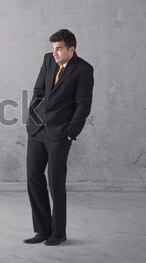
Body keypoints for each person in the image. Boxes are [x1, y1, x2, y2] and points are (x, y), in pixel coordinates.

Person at [24, 29, 94, 246]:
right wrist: (33, 115)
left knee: (56, 183)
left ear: (71, 49)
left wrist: (70, 133)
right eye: (53, 48)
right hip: (37, 131)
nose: (54, 53)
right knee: (33, 178)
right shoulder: (48, 60)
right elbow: (38, 91)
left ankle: (58, 233)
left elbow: (83, 104)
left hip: (60, 134)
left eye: (59, 49)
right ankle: (42, 230)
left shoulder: (83, 70)